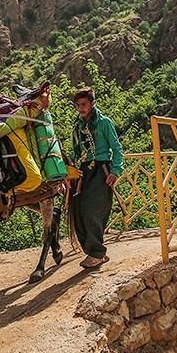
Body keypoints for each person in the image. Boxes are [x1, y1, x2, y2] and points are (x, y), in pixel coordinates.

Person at [68, 86, 124, 269]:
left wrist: (115, 170)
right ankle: (94, 251)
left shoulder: (104, 123)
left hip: (101, 169)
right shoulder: (77, 126)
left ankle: (97, 253)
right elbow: (75, 151)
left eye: (84, 104)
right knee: (77, 211)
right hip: (83, 171)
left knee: (91, 209)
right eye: (78, 105)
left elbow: (116, 148)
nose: (81, 108)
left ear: (92, 103)